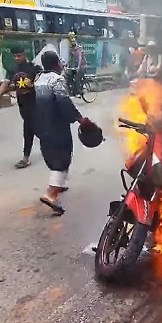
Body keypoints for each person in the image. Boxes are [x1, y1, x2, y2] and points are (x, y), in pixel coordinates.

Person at [33, 50, 96, 214]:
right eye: (60, 62)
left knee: (53, 156)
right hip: (56, 127)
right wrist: (79, 119)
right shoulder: (57, 79)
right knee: (62, 159)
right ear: (56, 64)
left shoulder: (38, 79)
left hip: (41, 125)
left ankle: (58, 185)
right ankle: (51, 194)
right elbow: (63, 101)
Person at [0, 47, 42, 168]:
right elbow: (6, 84)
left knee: (28, 129)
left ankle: (26, 158)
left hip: (35, 103)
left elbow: (42, 83)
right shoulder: (13, 70)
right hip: (23, 105)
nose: (16, 58)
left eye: (19, 56)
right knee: (36, 129)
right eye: (15, 56)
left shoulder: (33, 68)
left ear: (24, 55)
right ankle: (51, 143)